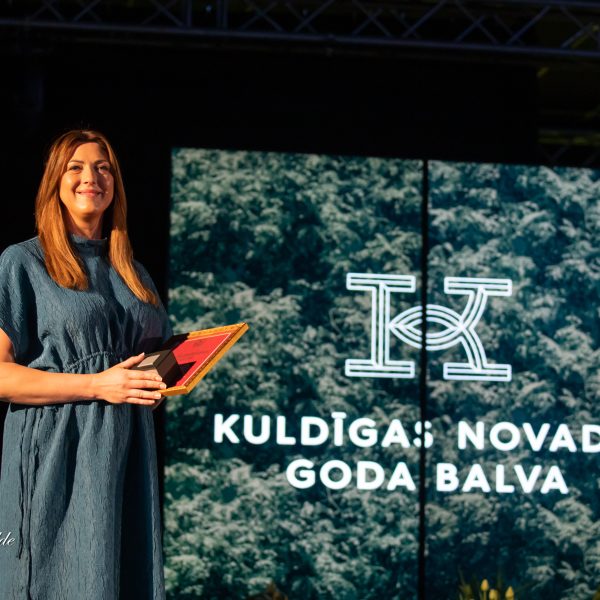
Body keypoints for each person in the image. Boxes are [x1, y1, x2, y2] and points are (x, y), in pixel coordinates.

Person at [0, 130, 172, 599]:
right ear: (55, 182)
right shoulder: (24, 262)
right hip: (59, 452)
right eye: (75, 167)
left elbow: (147, 367)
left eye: (103, 168)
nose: (90, 177)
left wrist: (167, 376)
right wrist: (98, 385)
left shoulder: (135, 274)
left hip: (126, 454)